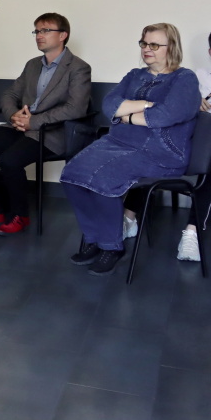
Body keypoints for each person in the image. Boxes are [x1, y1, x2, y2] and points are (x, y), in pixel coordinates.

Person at [62, 23, 199, 276]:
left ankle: (112, 247)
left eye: (154, 45)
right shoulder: (135, 75)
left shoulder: (184, 78)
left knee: (103, 178)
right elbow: (109, 105)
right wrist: (146, 104)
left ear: (172, 48)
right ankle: (94, 238)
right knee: (71, 174)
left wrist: (129, 116)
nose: (147, 49)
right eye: (144, 43)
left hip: (160, 152)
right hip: (117, 143)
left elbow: (167, 114)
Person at [0, 12, 92, 235]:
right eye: (37, 31)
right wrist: (14, 116)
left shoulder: (78, 67)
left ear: (63, 35)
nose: (39, 35)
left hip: (50, 133)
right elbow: (10, 94)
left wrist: (34, 121)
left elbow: (76, 108)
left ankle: (19, 215)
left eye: (45, 30)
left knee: (9, 161)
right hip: (20, 127)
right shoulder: (32, 65)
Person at [171, 28, 211, 261]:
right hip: (193, 137)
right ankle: (129, 218)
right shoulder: (197, 76)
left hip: (210, 147)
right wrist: (195, 101)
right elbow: (177, 105)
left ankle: (192, 231)